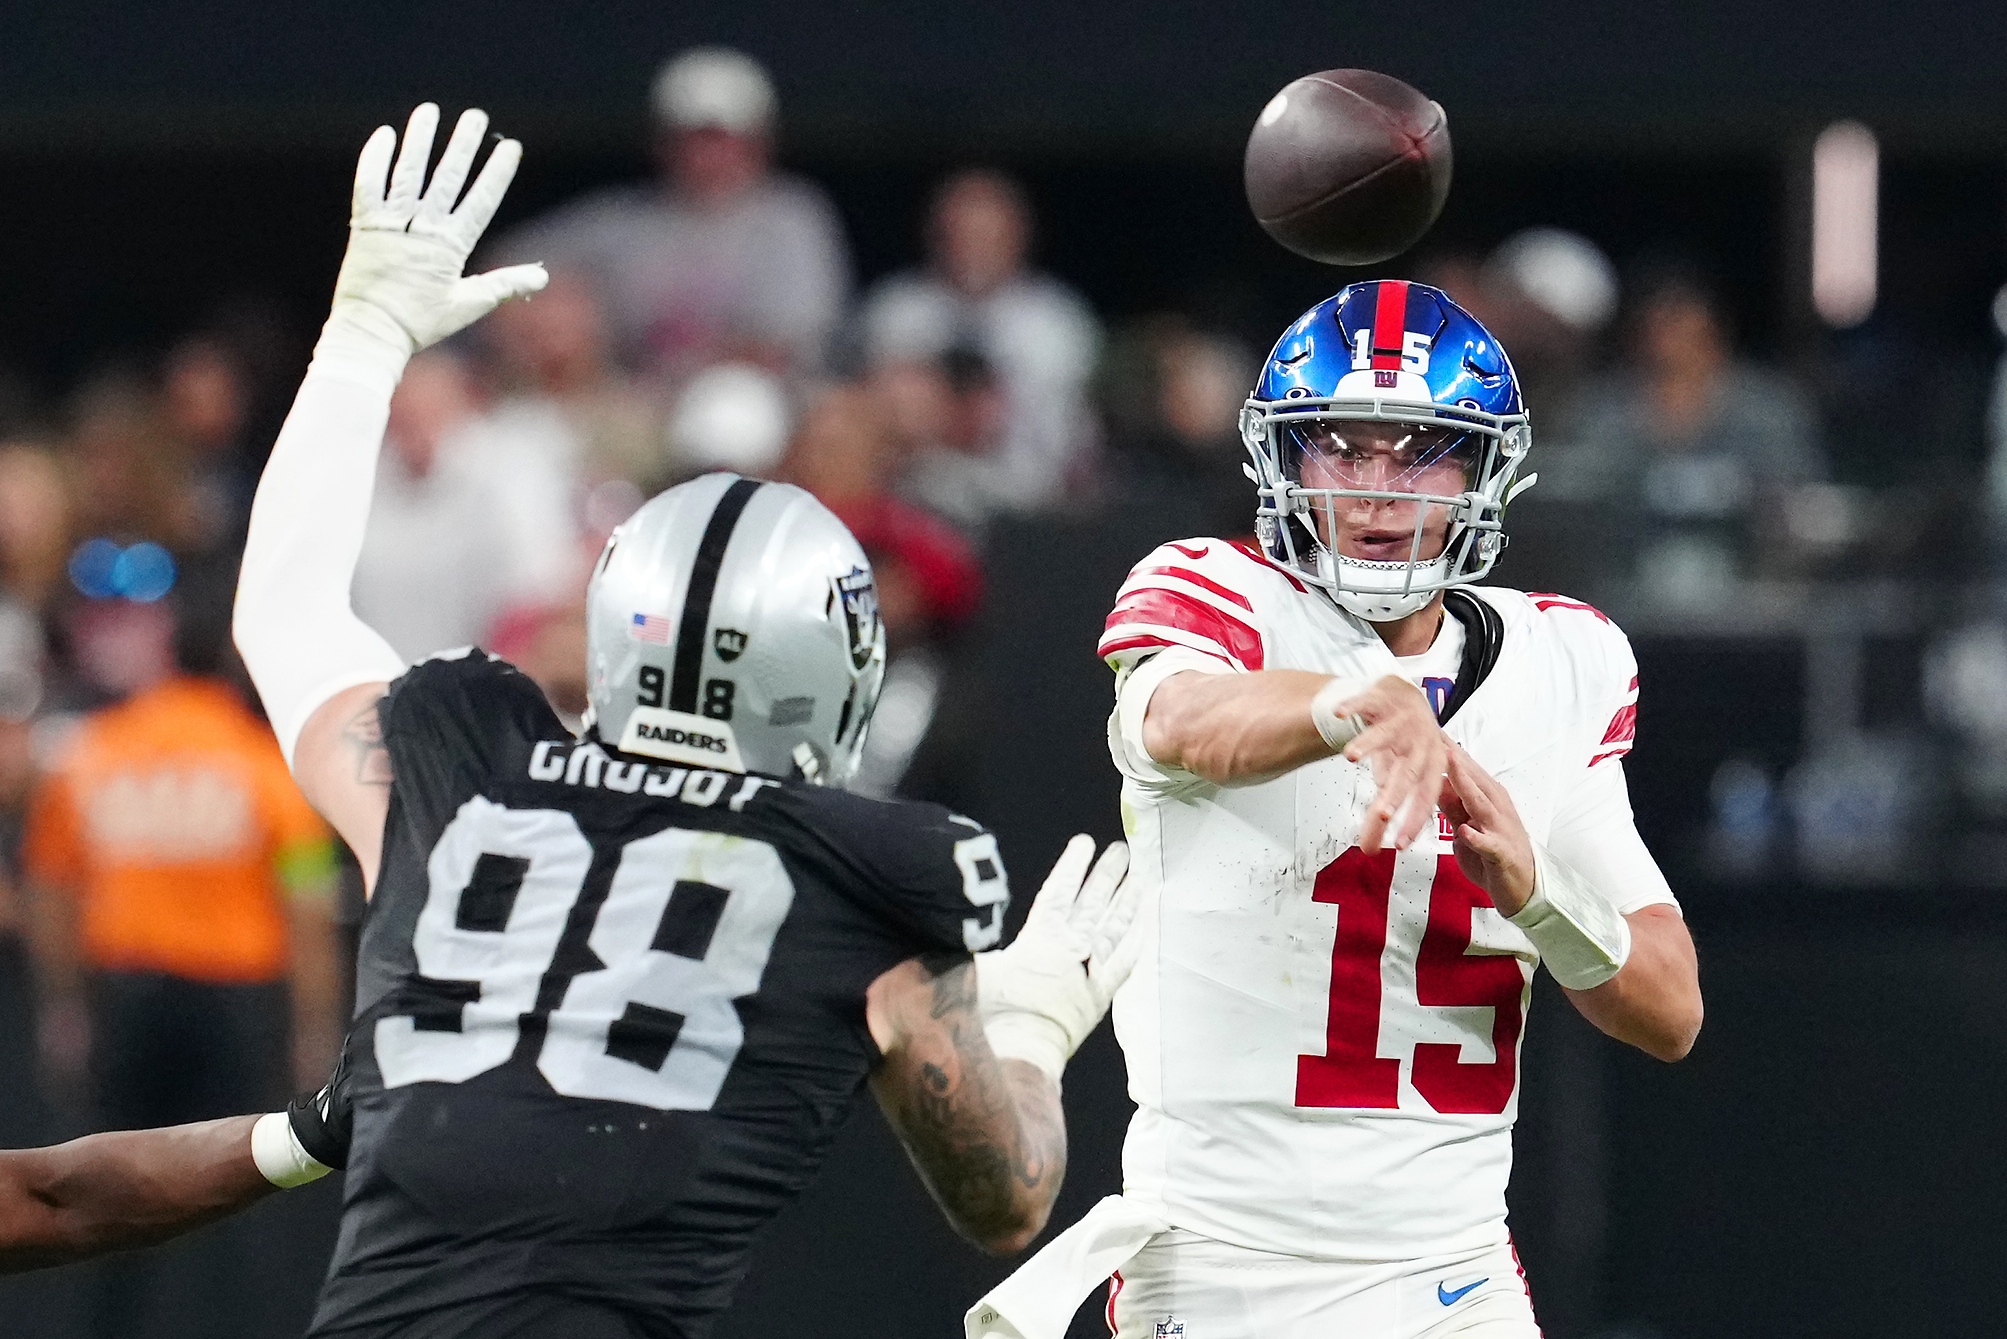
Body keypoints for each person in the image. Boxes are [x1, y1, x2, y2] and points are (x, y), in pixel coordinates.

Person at [232, 103, 1139, 1338]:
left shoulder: (456, 776)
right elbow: (1007, 1197)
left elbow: (281, 611)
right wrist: (1031, 1025)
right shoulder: (860, 876)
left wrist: (364, 337)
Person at [967, 281, 1703, 1339]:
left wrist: (1541, 897)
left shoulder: (1562, 660)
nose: (1378, 488)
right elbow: (1183, 721)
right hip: (1227, 1276)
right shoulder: (1219, 597)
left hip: (1456, 1281)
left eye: (1421, 451)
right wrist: (1348, 704)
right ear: (1285, 461)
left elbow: (1670, 1008)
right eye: (1344, 449)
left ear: (1486, 467)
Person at [497, 48, 850, 384]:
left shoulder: (791, 216)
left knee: (734, 404)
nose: (706, 153)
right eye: (690, 137)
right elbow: (504, 266)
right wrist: (564, 316)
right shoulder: (623, 218)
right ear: (662, 141)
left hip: (758, 402)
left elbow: (785, 342)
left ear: (759, 141)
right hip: (630, 405)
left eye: (720, 137)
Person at [859, 169, 1102, 519]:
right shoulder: (898, 310)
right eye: (959, 234)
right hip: (915, 497)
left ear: (1017, 238)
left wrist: (970, 415)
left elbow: (1063, 435)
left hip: (1029, 505)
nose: (972, 248)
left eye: (987, 235)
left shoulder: (1057, 320)